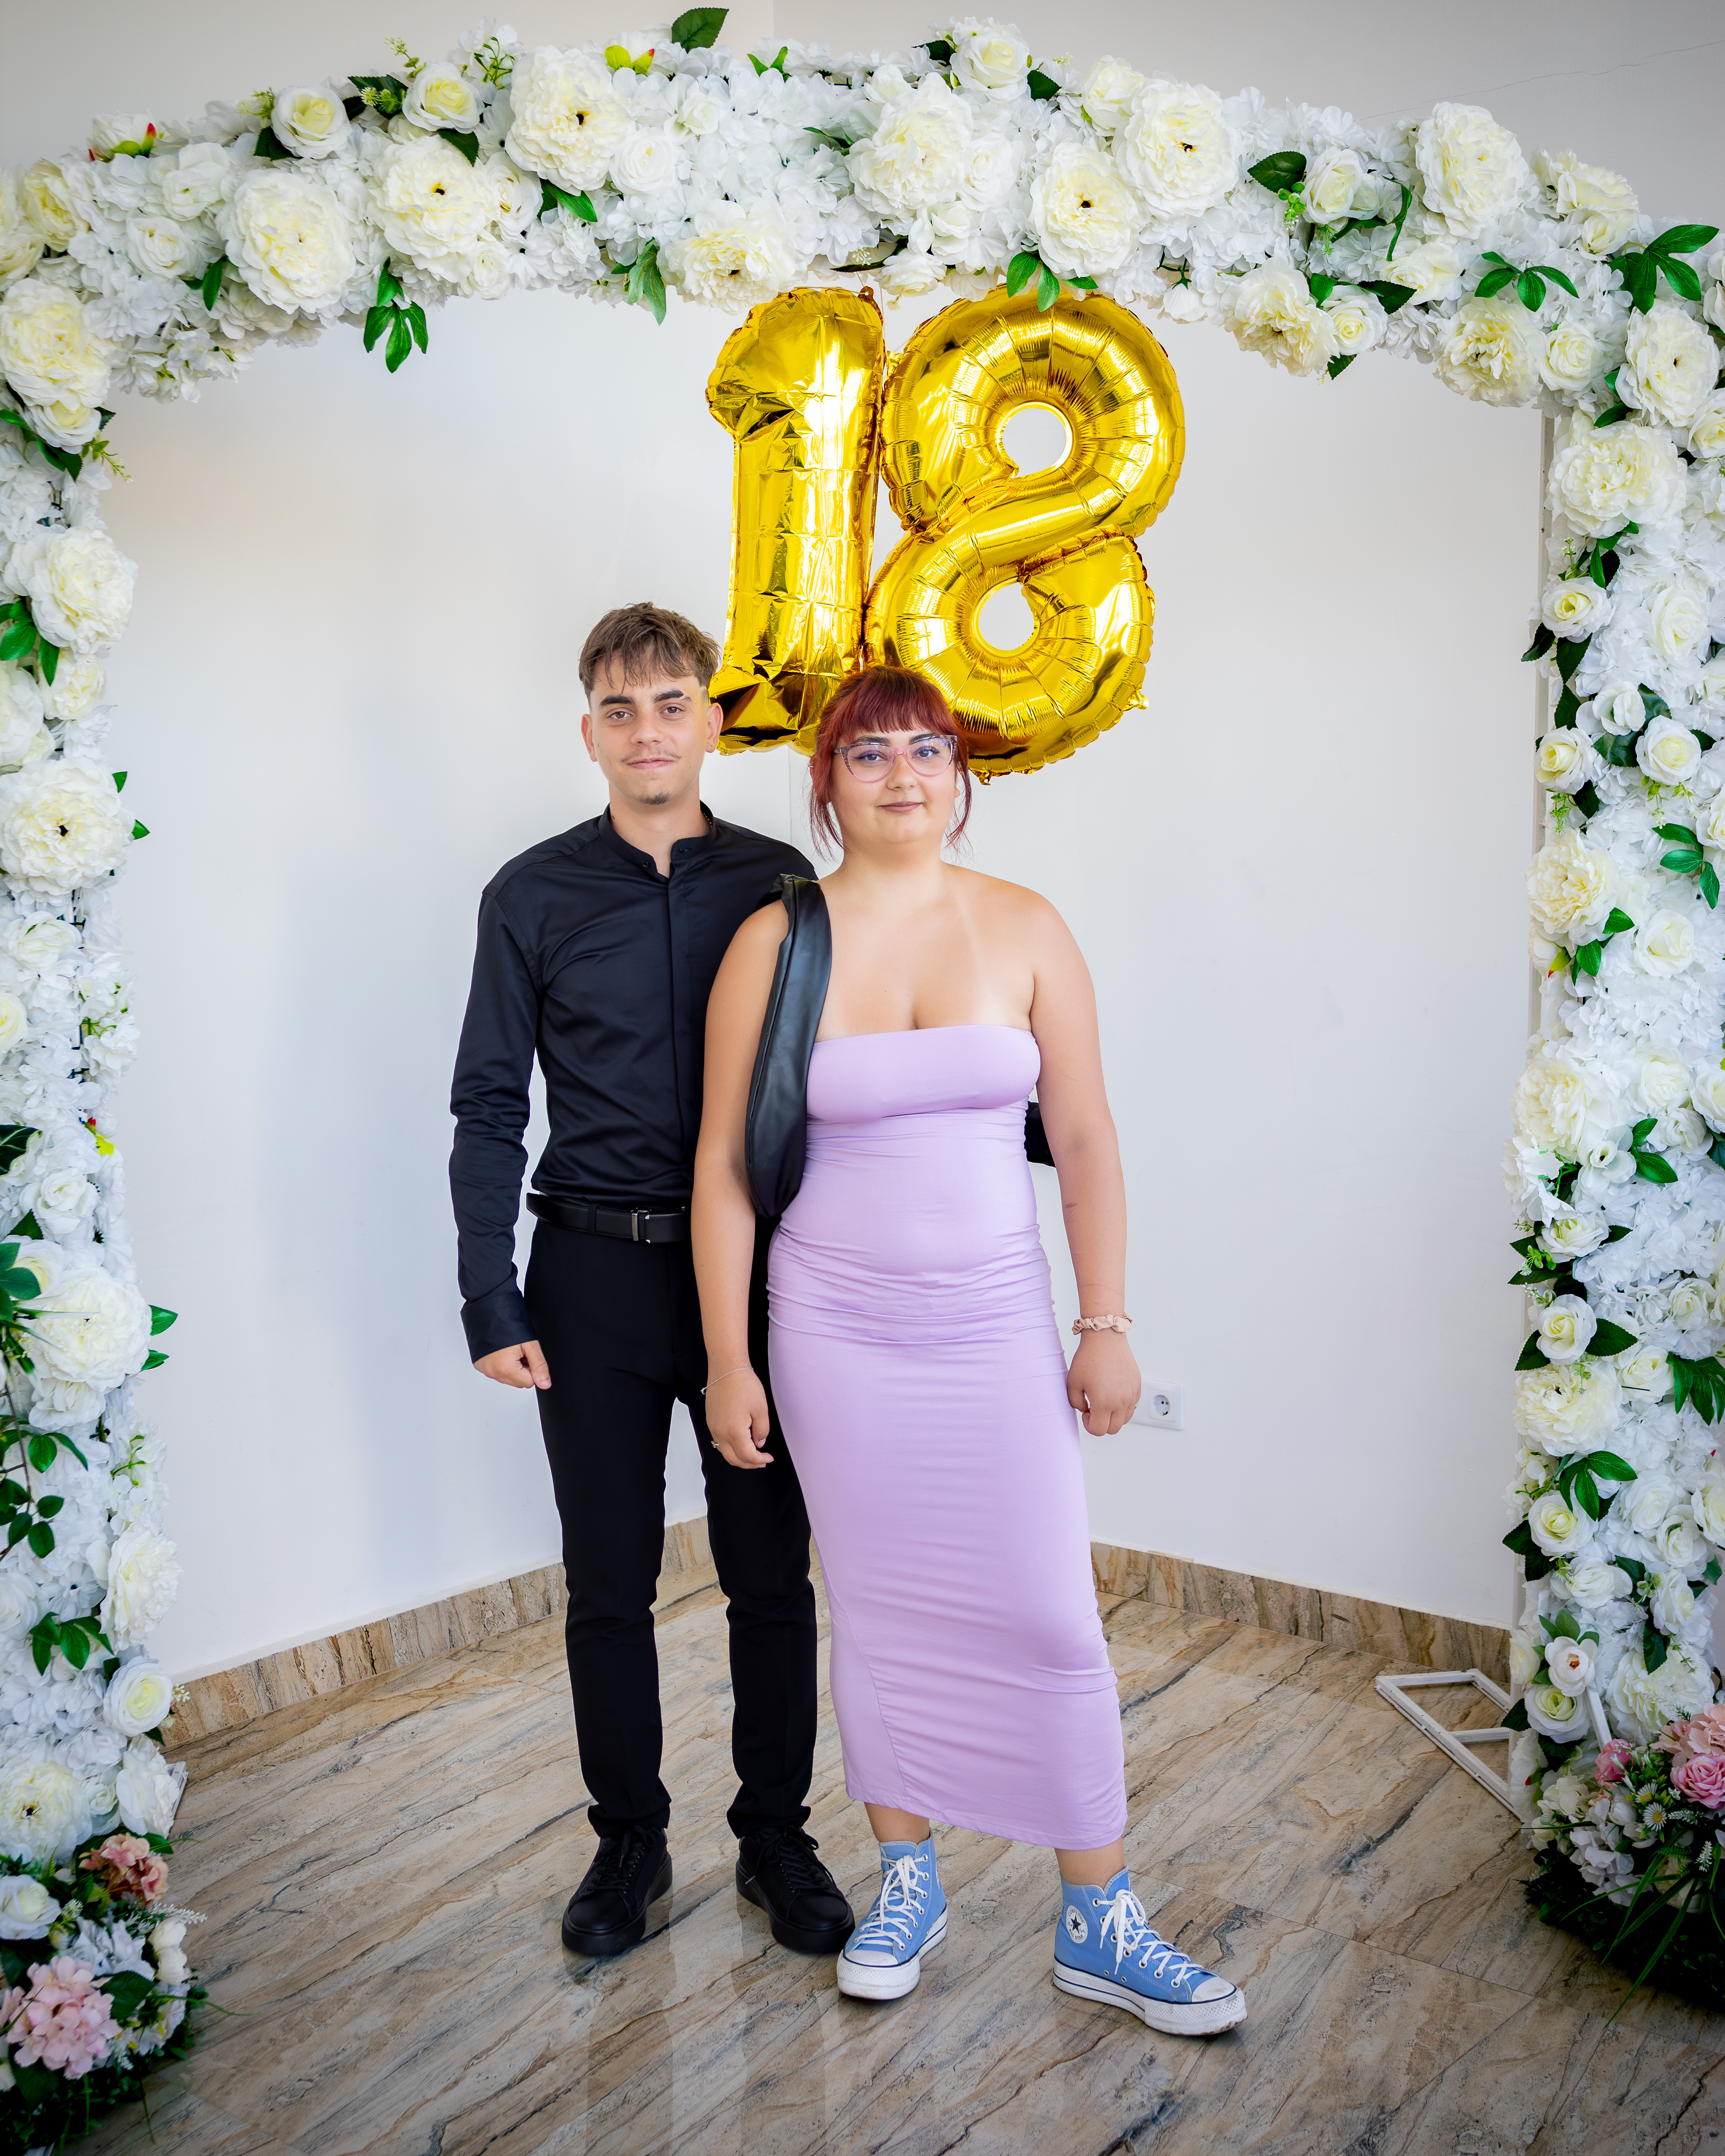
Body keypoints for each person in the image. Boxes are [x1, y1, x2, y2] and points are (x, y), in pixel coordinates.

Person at [691, 665, 1246, 2036]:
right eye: (869, 752)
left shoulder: (1027, 926)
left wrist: (1105, 1323)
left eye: (927, 749)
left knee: (1053, 1613)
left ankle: (1098, 1915)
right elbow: (722, 1167)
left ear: (962, 775)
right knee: (879, 1614)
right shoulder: (775, 941)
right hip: (834, 1334)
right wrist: (729, 1360)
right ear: (827, 783)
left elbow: (1090, 1139)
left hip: (995, 1325)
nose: (903, 773)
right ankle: (909, 1879)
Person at [449, 602, 854, 1963]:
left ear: (711, 722)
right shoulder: (530, 894)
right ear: (589, 733)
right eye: (619, 710)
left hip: (760, 1276)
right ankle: (628, 1840)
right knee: (608, 1581)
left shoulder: (782, 881)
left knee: (770, 1575)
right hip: (591, 1275)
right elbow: (490, 1104)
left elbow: (829, 1081)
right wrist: (490, 1295)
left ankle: (777, 1835)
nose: (647, 731)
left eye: (671, 703)